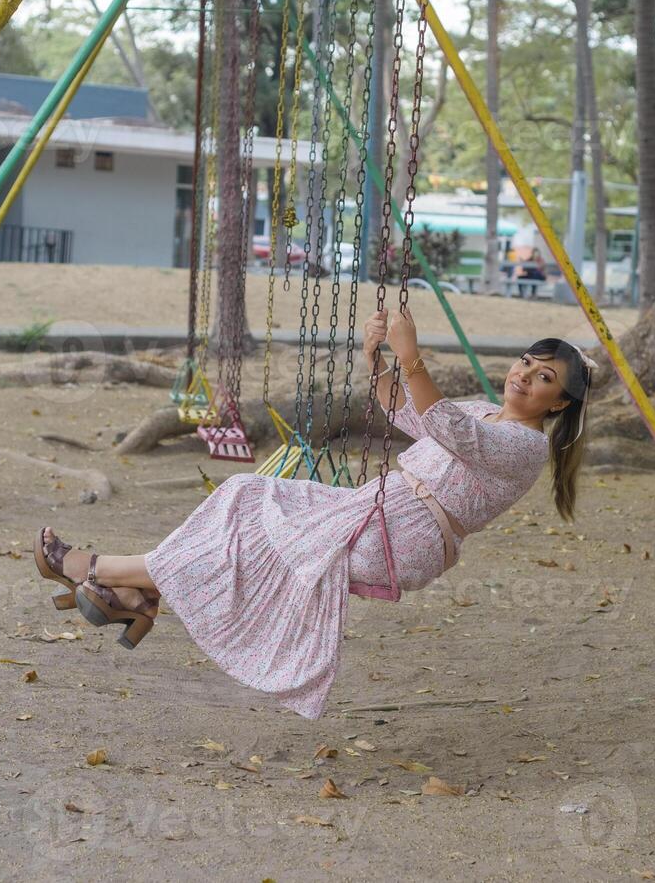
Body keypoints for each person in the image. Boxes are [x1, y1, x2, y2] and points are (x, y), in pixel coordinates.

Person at [32, 308, 595, 718]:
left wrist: (412, 355)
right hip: (381, 509)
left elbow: (446, 424)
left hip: (408, 537)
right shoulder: (486, 411)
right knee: (244, 496)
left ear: (561, 402)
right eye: (526, 362)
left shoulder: (526, 447)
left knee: (257, 543)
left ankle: (102, 572)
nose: (524, 375)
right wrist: (376, 359)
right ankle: (137, 595)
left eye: (544, 376)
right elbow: (412, 414)